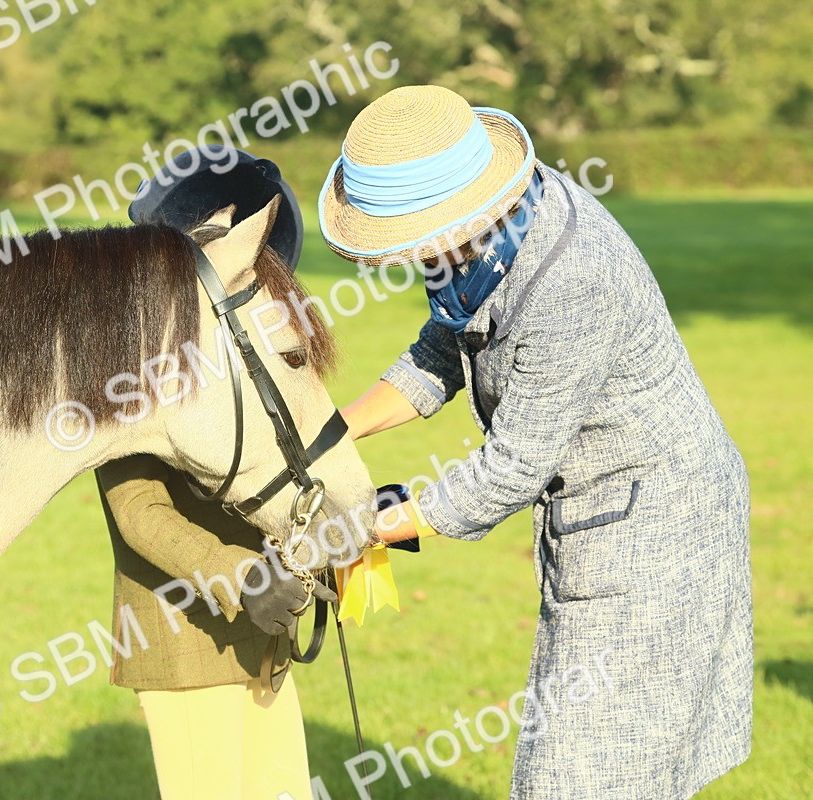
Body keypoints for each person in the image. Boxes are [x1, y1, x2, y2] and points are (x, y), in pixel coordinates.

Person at [318, 85, 752, 799]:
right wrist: (331, 428)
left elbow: (512, 467)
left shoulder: (572, 280)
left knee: (584, 775)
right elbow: (443, 349)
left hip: (657, 529)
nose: (396, 260)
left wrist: (369, 528)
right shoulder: (489, 236)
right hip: (600, 512)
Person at [95, 146, 333, 800]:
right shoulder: (131, 371)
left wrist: (353, 534)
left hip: (263, 639)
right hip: (186, 648)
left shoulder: (245, 361)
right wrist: (246, 576)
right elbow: (140, 515)